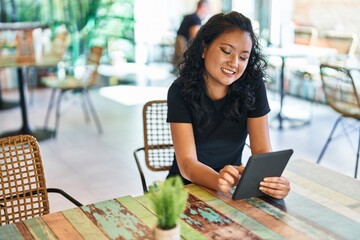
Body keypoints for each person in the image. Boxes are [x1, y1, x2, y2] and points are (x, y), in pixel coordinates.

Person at [166, 11, 290, 200]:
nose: (234, 63)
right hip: (185, 188)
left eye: (243, 57)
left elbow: (262, 152)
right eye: (226, 51)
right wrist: (218, 181)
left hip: (232, 188)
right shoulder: (179, 90)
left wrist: (273, 182)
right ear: (203, 48)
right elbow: (187, 164)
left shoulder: (253, 86)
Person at [172, 0, 209, 71]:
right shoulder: (195, 19)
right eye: (207, 9)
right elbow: (195, 37)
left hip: (180, 49)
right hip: (184, 49)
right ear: (203, 7)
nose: (207, 11)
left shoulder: (189, 16)